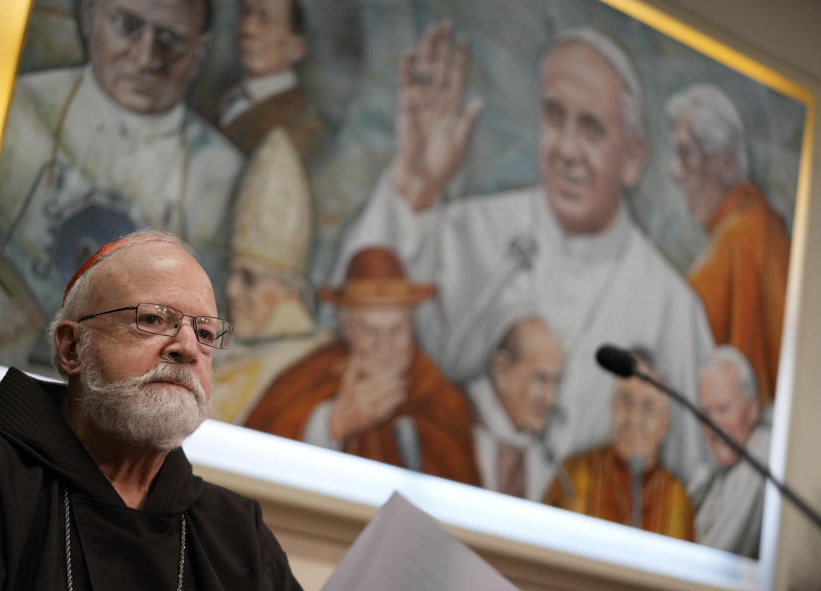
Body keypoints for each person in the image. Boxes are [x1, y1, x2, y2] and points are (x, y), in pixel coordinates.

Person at [0, 232, 307, 591]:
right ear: (72, 347)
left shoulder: (237, 529)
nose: (187, 348)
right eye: (152, 319)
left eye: (205, 332)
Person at [334, 24, 714, 485]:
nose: (567, 150)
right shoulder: (467, 230)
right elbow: (355, 322)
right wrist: (415, 182)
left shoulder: (673, 309)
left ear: (633, 156)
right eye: (555, 118)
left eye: (591, 128)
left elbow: (689, 485)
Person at [0, 0, 243, 370]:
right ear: (90, 16)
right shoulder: (13, 110)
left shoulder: (224, 173)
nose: (146, 57)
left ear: (200, 51)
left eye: (171, 39)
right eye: (127, 25)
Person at [245, 247, 480, 484]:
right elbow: (257, 452)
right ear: (347, 328)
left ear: (411, 326)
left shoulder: (435, 389)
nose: (384, 345)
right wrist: (334, 422)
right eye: (370, 330)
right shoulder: (313, 372)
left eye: (396, 329)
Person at [666, 82, 790, 406]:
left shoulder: (742, 234)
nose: (674, 172)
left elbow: (677, 338)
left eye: (685, 154)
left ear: (724, 161)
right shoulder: (759, 225)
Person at [211, 128, 332, 424]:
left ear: (290, 291)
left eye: (249, 278)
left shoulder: (313, 369)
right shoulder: (219, 350)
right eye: (233, 274)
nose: (231, 289)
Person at [544, 349, 695, 541]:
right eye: (625, 400)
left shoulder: (677, 499)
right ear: (612, 405)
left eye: (648, 406)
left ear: (665, 422)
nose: (633, 419)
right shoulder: (574, 474)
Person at [207, 0, 328, 160]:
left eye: (266, 19)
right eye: (246, 13)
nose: (248, 28)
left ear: (297, 48)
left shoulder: (306, 127)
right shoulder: (215, 101)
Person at [466, 314, 565, 501]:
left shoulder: (549, 455)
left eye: (555, 381)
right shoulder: (454, 422)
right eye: (540, 378)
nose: (550, 399)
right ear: (502, 371)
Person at [693, 346, 771, 557]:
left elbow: (717, 556)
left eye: (723, 409)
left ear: (752, 408)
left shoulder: (761, 458)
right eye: (705, 413)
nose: (713, 425)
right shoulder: (720, 473)